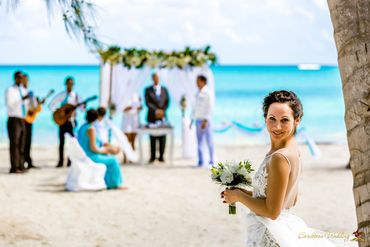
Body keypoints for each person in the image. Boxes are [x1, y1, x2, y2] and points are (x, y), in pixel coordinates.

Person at [221, 90, 349, 246]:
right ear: (265, 119)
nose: (277, 126)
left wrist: (239, 198)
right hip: (281, 227)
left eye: (285, 120)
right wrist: (240, 192)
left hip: (269, 235)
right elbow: (288, 199)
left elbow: (272, 212)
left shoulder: (279, 158)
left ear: (297, 120)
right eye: (272, 119)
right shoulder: (293, 150)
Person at [78, 109, 124, 189]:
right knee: (113, 161)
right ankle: (114, 184)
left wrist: (105, 148)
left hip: (83, 155)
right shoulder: (91, 129)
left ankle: (107, 181)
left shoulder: (82, 127)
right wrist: (106, 150)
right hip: (90, 156)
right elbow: (94, 148)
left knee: (107, 156)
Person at [49, 76, 83, 168]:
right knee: (61, 142)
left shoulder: (76, 96)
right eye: (68, 83)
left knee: (72, 142)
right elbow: (51, 105)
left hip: (71, 122)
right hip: (62, 122)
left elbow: (82, 109)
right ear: (65, 84)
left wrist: (83, 106)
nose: (69, 85)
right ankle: (60, 161)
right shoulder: (61, 95)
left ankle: (70, 160)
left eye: (71, 84)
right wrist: (59, 112)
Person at [5, 71, 30, 173]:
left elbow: (27, 105)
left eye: (22, 77)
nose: (21, 79)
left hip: (22, 118)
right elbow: (10, 104)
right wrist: (21, 99)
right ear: (15, 78)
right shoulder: (10, 90)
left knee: (22, 144)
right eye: (19, 77)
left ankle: (21, 165)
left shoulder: (23, 90)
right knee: (14, 144)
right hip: (14, 119)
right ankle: (14, 167)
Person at [144, 72, 170, 163]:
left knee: (163, 137)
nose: (156, 79)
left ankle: (161, 156)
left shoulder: (164, 89)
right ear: (152, 79)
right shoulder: (147, 90)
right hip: (152, 116)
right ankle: (152, 156)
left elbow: (167, 101)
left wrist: (162, 111)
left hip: (162, 116)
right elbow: (147, 103)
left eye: (157, 78)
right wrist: (156, 111)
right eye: (154, 78)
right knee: (152, 137)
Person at [191, 75, 214, 167]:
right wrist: (191, 119)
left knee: (209, 141)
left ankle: (211, 161)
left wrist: (206, 119)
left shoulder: (208, 92)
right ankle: (200, 161)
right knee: (199, 141)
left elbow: (210, 107)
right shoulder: (197, 93)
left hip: (206, 121)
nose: (196, 83)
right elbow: (195, 108)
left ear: (203, 81)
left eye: (198, 81)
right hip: (198, 120)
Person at [22, 74, 41, 169]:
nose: (25, 82)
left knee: (28, 141)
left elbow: (34, 107)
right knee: (22, 142)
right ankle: (21, 162)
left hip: (29, 119)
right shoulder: (20, 92)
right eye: (24, 80)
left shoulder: (30, 92)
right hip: (22, 119)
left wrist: (38, 103)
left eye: (27, 80)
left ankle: (28, 161)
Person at [121, 93, 142, 163]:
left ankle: (132, 158)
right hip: (126, 120)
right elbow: (122, 109)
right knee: (126, 141)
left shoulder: (136, 95)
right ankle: (125, 157)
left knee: (133, 141)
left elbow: (139, 107)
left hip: (135, 120)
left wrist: (139, 107)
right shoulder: (124, 95)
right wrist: (133, 106)